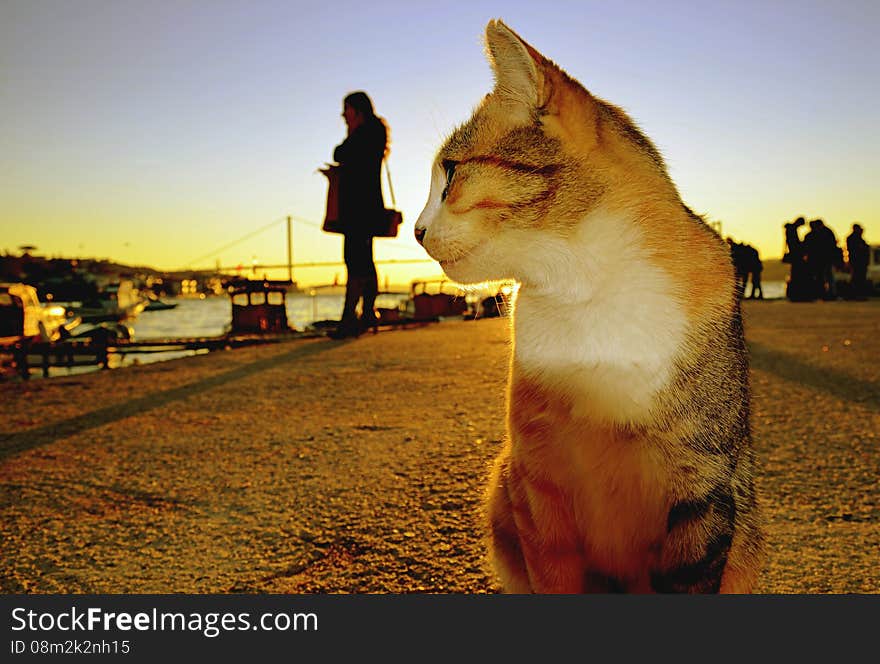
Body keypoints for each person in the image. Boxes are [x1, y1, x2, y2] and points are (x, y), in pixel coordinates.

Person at [328, 91, 390, 339]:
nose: (343, 115)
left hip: (358, 209)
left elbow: (340, 153)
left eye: (347, 110)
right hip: (366, 207)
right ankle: (365, 314)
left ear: (357, 110)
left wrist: (351, 132)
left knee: (354, 261)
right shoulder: (374, 132)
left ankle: (350, 319)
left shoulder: (367, 133)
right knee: (364, 260)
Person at [783, 217, 812, 301]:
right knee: (797, 273)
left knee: (796, 273)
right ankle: (798, 293)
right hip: (796, 255)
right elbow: (794, 243)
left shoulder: (790, 229)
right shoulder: (792, 229)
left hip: (794, 254)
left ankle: (796, 293)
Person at [846, 223, 870, 298]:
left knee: (859, 278)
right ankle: (856, 294)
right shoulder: (853, 238)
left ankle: (857, 294)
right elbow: (859, 249)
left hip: (859, 261)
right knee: (858, 278)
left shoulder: (857, 238)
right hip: (857, 261)